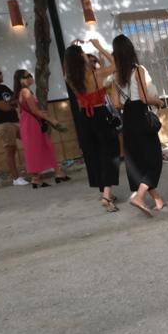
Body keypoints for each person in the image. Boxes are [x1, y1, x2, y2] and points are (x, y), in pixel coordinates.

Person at [108, 35, 165, 216]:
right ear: (130, 51)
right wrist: (158, 102)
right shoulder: (138, 70)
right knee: (155, 159)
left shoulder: (115, 77)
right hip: (140, 115)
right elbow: (143, 97)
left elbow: (116, 104)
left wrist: (128, 105)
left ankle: (157, 199)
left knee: (139, 161)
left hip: (128, 120)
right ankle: (139, 196)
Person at [65, 40, 121, 211]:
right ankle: (106, 195)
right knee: (109, 152)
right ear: (81, 57)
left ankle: (106, 192)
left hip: (84, 119)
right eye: (82, 53)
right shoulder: (95, 75)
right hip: (99, 115)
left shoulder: (70, 78)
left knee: (94, 154)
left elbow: (66, 66)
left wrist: (71, 50)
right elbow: (115, 64)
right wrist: (99, 47)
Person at [13, 69, 68, 189]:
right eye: (27, 76)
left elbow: (22, 111)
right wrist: (51, 119)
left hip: (29, 122)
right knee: (36, 149)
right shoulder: (26, 91)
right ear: (21, 80)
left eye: (30, 75)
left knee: (44, 146)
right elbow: (34, 110)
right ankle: (37, 178)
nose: (30, 77)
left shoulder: (22, 92)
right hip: (32, 123)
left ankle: (56, 173)